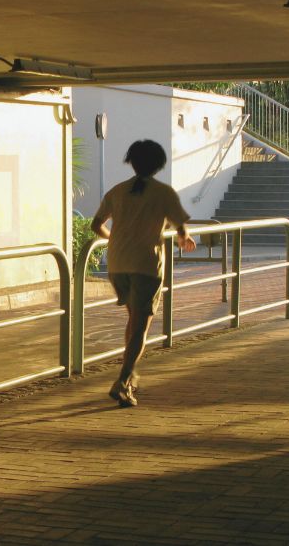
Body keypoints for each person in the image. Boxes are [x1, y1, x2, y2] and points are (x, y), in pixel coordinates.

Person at [91, 139, 196, 407]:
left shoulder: (117, 191)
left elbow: (96, 224)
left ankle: (131, 376)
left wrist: (114, 238)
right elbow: (181, 227)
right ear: (159, 165)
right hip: (146, 264)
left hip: (118, 264)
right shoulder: (164, 193)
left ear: (132, 162)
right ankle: (123, 380)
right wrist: (184, 239)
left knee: (134, 321)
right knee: (141, 327)